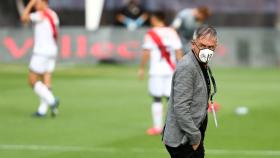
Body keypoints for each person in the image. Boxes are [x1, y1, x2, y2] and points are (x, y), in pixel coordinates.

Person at [162, 25, 218, 158]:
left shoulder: (201, 62)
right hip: (183, 140)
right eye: (203, 45)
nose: (207, 50)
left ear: (216, 46)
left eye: (211, 47)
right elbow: (181, 107)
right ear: (193, 44)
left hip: (190, 134)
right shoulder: (187, 67)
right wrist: (195, 137)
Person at [138, 12, 183, 136]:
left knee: (157, 98)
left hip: (156, 71)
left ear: (155, 19)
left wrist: (141, 68)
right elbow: (178, 51)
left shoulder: (151, 33)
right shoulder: (172, 32)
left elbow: (146, 52)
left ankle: (158, 127)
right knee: (170, 99)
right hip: (171, 69)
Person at [21, 0, 59, 117]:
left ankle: (52, 100)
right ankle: (44, 110)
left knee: (32, 80)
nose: (36, 6)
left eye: (38, 3)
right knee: (46, 81)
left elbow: (23, 18)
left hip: (41, 52)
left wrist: (30, 4)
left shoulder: (40, 15)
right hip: (52, 51)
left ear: (44, 3)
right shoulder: (53, 14)